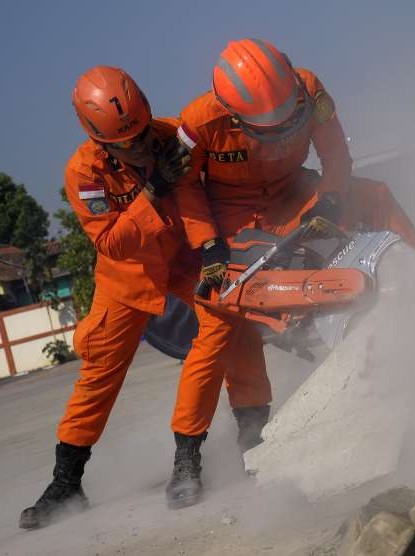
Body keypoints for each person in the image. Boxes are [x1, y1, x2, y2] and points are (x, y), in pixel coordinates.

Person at [166, 38, 415, 507]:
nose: (283, 124)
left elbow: (336, 157)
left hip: (298, 193)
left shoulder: (311, 90)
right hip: (235, 217)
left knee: (376, 193)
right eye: (269, 122)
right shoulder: (197, 124)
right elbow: (185, 191)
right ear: (231, 111)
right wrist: (208, 246)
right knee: (220, 320)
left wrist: (330, 197)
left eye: (289, 112)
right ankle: (190, 452)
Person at [18, 66, 195, 529]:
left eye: (142, 133)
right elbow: (113, 243)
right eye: (127, 142)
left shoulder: (172, 136)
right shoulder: (83, 173)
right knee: (97, 378)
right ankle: (66, 483)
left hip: (184, 266)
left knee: (225, 338)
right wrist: (154, 190)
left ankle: (240, 438)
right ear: (99, 139)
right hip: (126, 280)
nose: (141, 146)